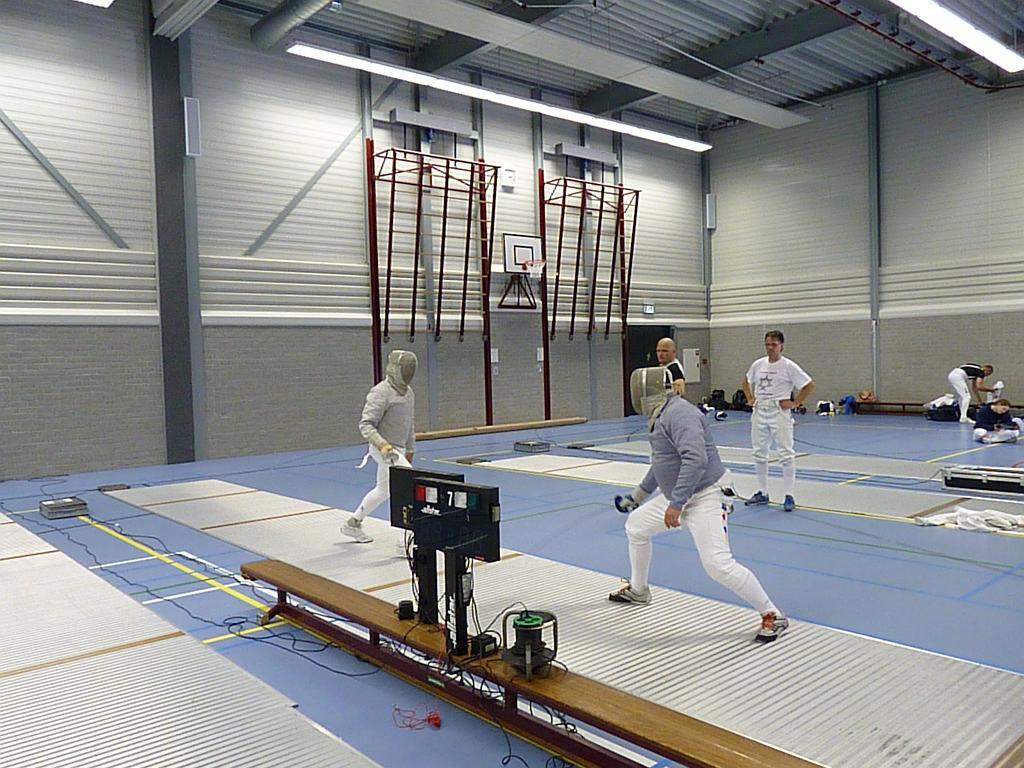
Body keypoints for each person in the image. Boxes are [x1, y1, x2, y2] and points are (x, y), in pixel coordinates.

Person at [609, 366, 788, 643]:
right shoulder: (661, 415)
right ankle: (639, 590)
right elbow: (663, 462)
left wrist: (676, 503)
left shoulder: (680, 413)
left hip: (706, 495)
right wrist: (639, 496)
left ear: (646, 391)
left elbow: (696, 460)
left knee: (718, 564)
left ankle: (773, 614)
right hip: (681, 495)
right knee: (636, 526)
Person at [342, 350, 417, 544]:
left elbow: (409, 423)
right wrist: (383, 446)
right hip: (383, 449)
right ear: (395, 369)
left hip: (398, 450)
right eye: (406, 368)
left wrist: (410, 449)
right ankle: (405, 541)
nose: (408, 372)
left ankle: (353, 524)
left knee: (383, 490)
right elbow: (366, 425)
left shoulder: (409, 393)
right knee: (408, 486)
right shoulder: (380, 392)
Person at [741, 330, 814, 513]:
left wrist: (795, 403)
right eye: (767, 344)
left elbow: (808, 385)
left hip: (779, 412)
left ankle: (789, 494)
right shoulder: (758, 364)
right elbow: (746, 380)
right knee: (759, 452)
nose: (770, 348)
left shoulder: (788, 366)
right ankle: (762, 492)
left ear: (781, 346)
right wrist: (750, 397)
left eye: (774, 345)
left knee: (786, 453)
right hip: (760, 410)